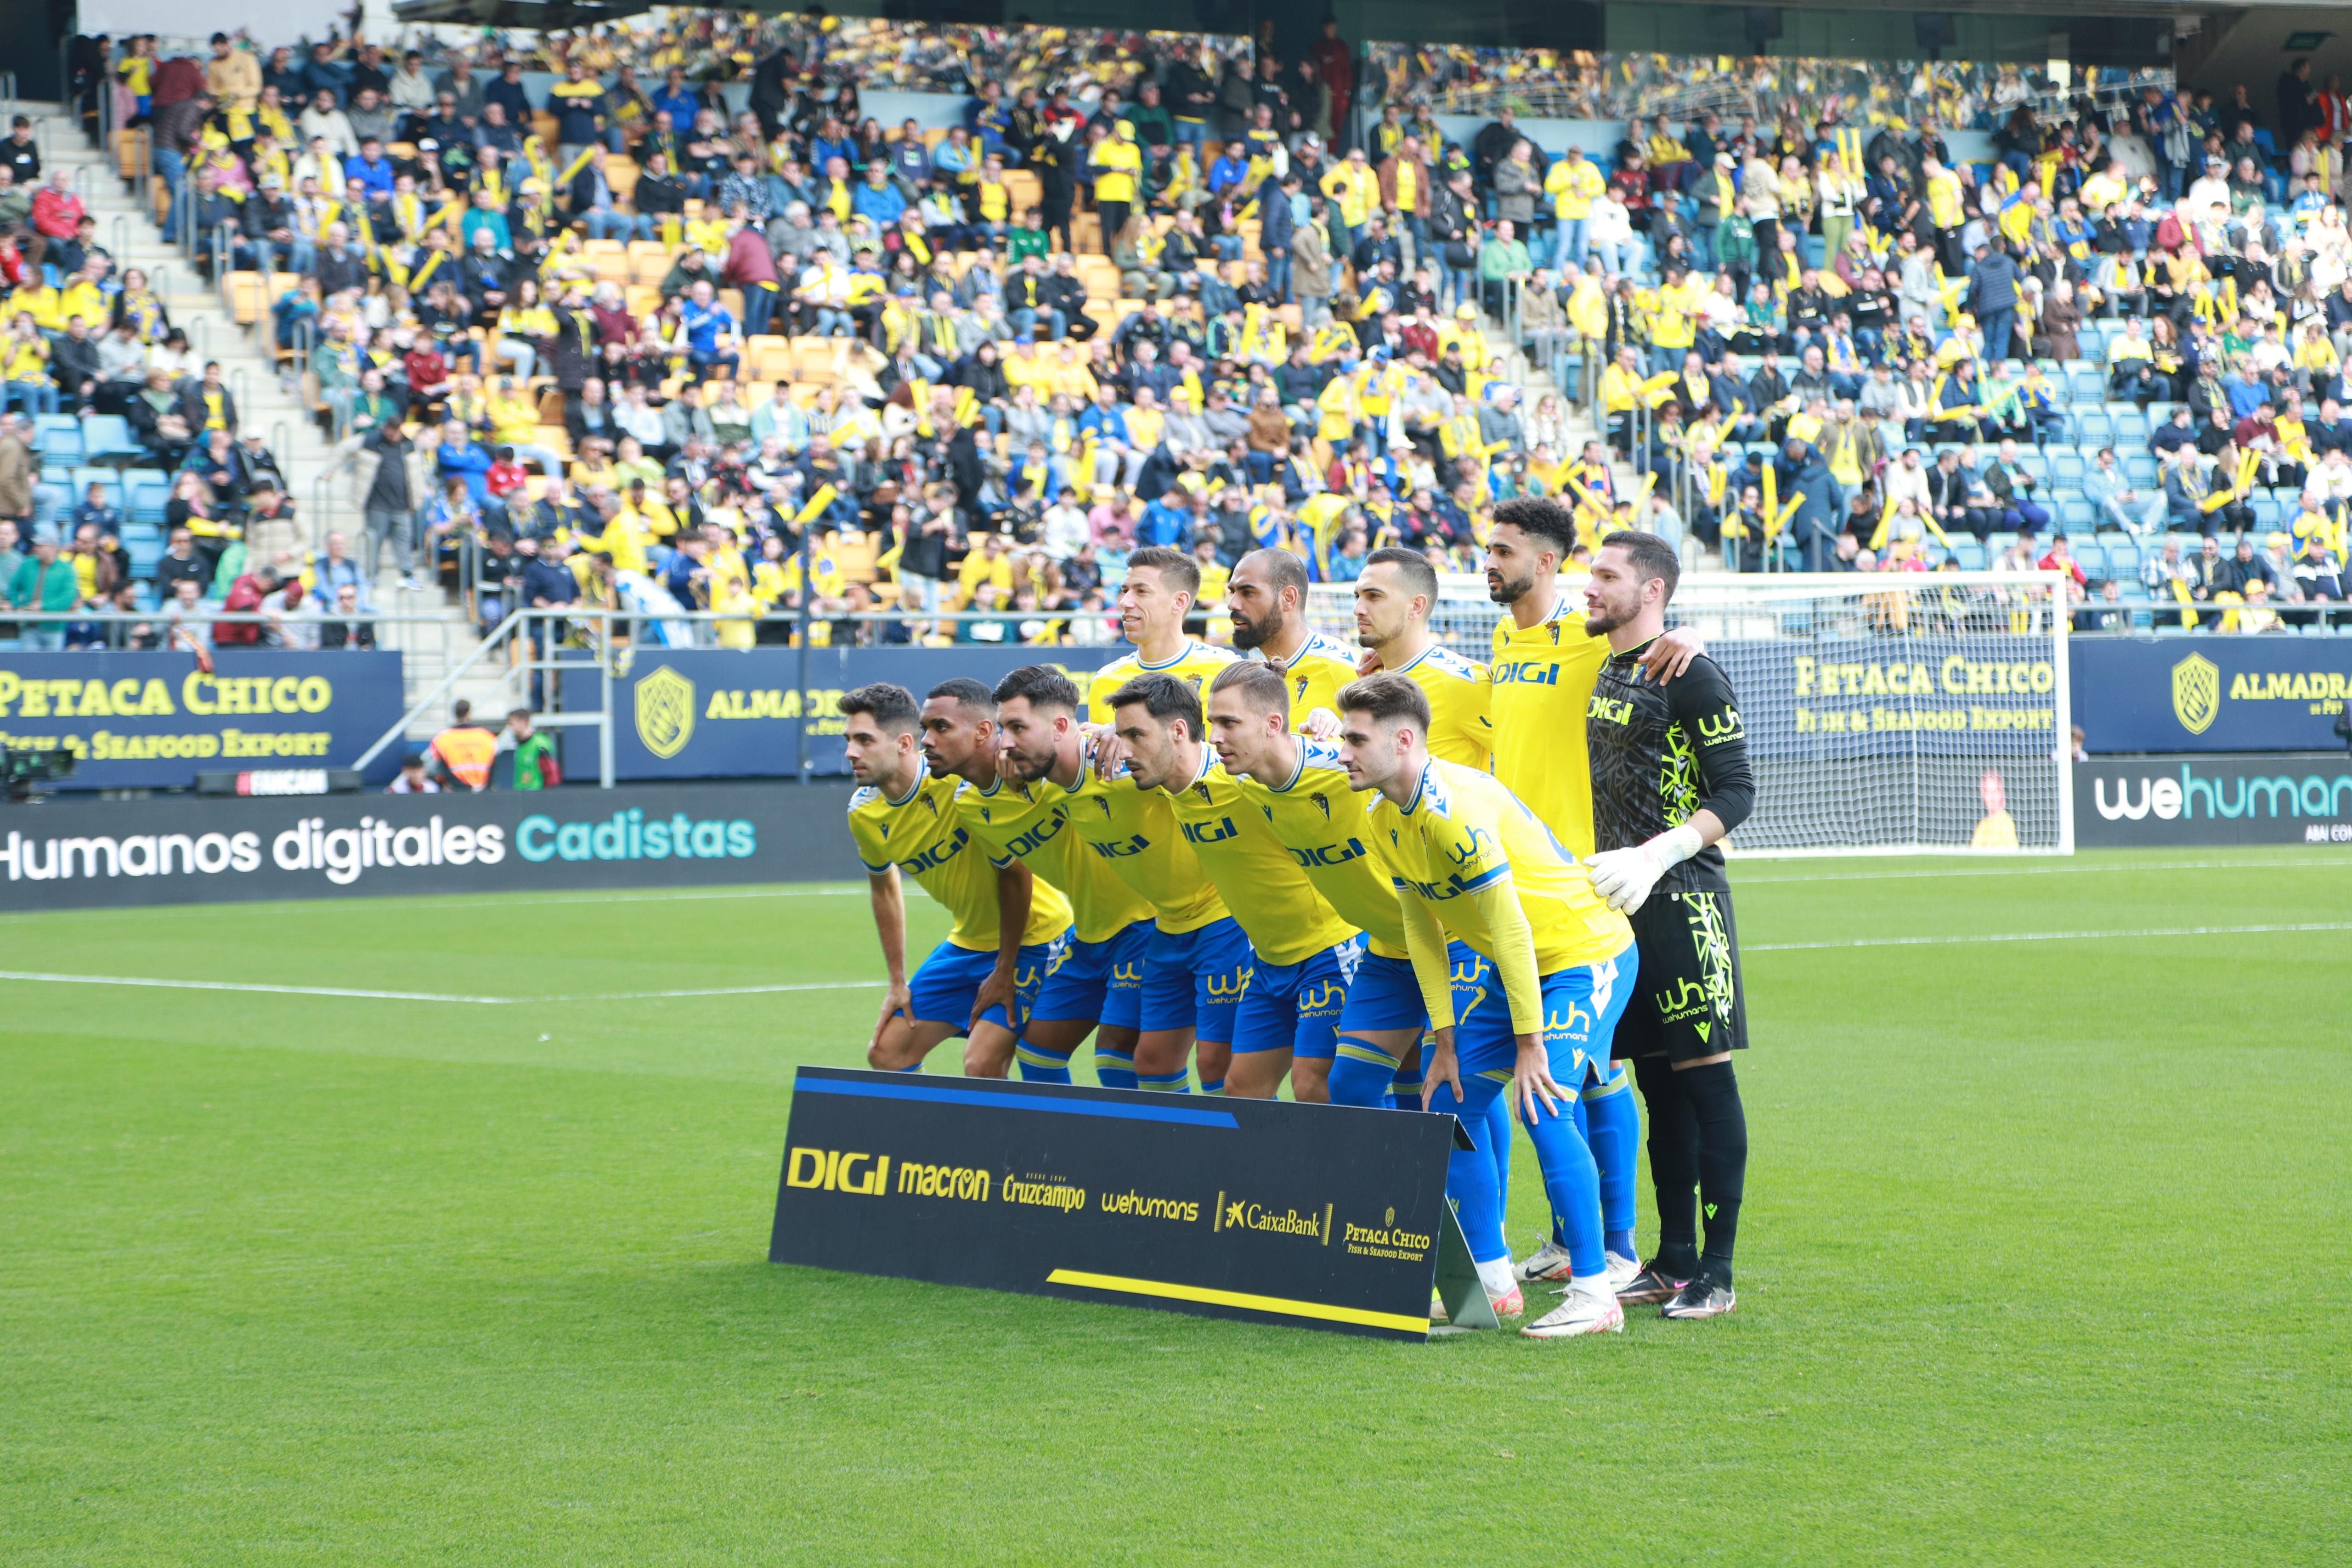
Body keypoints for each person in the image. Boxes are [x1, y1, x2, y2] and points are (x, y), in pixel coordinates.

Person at [1335, 672, 1637, 1338]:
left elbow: (1511, 928)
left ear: (1405, 739)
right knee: (1448, 1102)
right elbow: (1422, 928)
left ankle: (1596, 1290)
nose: (1343, 751)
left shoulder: (1456, 809)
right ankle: (1493, 1283)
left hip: (1584, 952)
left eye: (1357, 738)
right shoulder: (1383, 816)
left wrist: (1531, 1045)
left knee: (1544, 1098)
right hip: (1518, 967)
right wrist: (1444, 1037)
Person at [1579, 530, 1757, 1321]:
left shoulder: (1692, 672)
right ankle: (1672, 1255)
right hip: (1620, 907)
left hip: (1683, 898)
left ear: (1651, 590)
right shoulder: (1612, 664)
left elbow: (1739, 789)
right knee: (1657, 1085)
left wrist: (1662, 852)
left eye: (1607, 575)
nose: (1591, 586)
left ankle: (1717, 1270)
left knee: (1706, 1081)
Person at [1107, 669, 1360, 1104]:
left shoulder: (1239, 778)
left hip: (1328, 948)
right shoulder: (1164, 783)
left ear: (1178, 733)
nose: (1125, 750)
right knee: (1240, 1089)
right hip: (1269, 960)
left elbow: (1292, 759)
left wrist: (1329, 724)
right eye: (1121, 736)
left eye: (1136, 735)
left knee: (1316, 1087)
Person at [843, 682, 1074, 1079]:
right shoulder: (864, 813)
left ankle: (1046, 1139)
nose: (850, 752)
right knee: (887, 1053)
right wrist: (898, 982)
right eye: (848, 740)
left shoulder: (957, 781)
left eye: (864, 740)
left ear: (902, 744)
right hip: (968, 942)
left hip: (1034, 937)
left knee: (983, 1063)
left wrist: (1005, 967)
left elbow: (1015, 873)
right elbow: (884, 888)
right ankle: (931, 1143)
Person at [963, 665, 1159, 1086]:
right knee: (1037, 1055)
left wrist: (1119, 734)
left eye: (1017, 727)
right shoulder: (1039, 781)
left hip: (1148, 927)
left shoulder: (1118, 766)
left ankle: (1144, 1150)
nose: (1006, 742)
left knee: (1115, 1060)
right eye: (1003, 729)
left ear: (1059, 725)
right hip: (1088, 935)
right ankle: (1064, 1154)